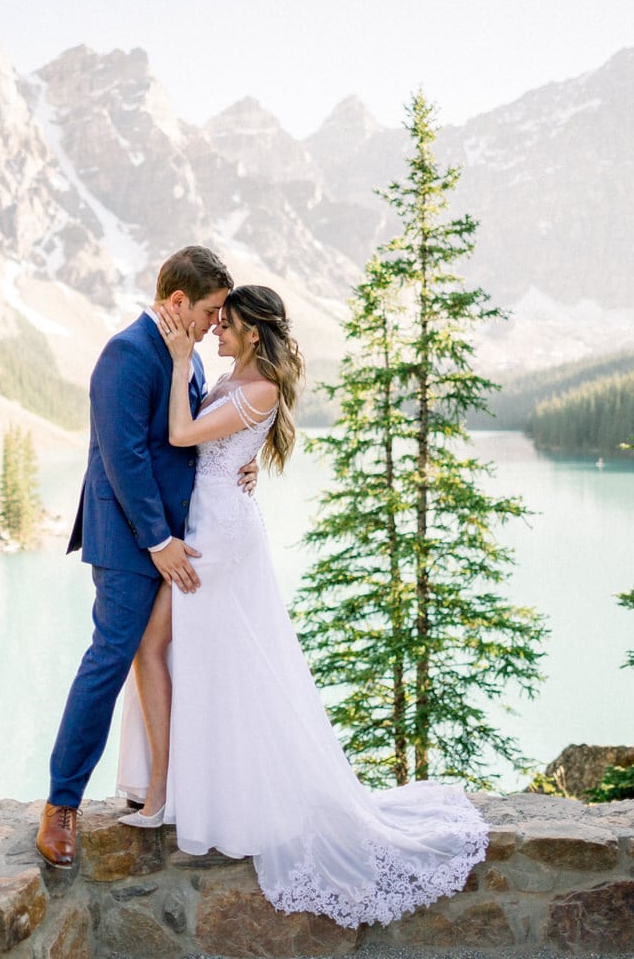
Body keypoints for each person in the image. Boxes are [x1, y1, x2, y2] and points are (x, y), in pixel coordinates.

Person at [114, 285, 489, 928]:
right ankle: (181, 791)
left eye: (225, 326)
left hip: (218, 535)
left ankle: (169, 796)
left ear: (252, 333)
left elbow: (182, 432)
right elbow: (218, 449)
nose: (215, 334)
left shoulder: (255, 389)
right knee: (200, 655)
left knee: (174, 650)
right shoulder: (232, 376)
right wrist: (239, 453)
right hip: (210, 518)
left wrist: (179, 365)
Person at [37, 245, 257, 868]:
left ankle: (167, 786)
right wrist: (160, 543)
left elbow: (190, 442)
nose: (219, 323)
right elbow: (125, 456)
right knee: (110, 658)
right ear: (178, 301)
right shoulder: (126, 354)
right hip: (131, 540)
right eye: (212, 310)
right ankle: (60, 805)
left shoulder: (181, 356)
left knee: (161, 655)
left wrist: (242, 466)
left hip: (175, 536)